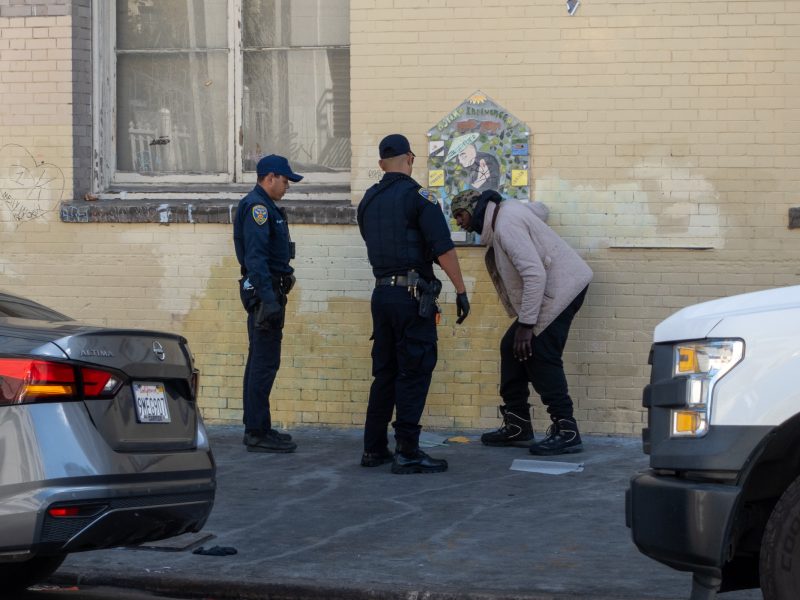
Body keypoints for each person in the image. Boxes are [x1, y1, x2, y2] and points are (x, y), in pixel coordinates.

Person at [357, 134, 471, 474]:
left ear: (381, 164)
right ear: (410, 159)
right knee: (414, 371)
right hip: (411, 297)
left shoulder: (368, 200)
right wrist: (461, 291)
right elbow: (443, 248)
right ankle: (407, 451)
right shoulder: (420, 197)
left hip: (382, 295)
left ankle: (374, 449)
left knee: (385, 373)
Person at [450, 189, 592, 455]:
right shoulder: (509, 211)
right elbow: (542, 210)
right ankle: (518, 426)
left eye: (460, 215)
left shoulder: (506, 224)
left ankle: (567, 430)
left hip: (561, 291)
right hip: (560, 288)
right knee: (510, 348)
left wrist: (526, 326)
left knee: (541, 353)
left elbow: (534, 274)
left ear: (474, 208)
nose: (459, 222)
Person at [233, 154, 303, 453]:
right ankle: (257, 432)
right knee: (264, 363)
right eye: (285, 181)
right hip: (265, 295)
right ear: (270, 177)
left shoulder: (264, 206)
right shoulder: (258, 208)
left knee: (260, 361)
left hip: (269, 292)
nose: (287, 186)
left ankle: (258, 425)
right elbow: (256, 259)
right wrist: (269, 299)